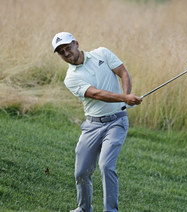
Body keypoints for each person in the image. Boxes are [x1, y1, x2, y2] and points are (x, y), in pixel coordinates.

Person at [51, 32, 142, 212]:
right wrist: (124, 97)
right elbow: (96, 94)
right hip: (92, 126)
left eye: (68, 48)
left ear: (76, 43)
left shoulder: (102, 53)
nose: (66, 53)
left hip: (116, 122)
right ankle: (84, 208)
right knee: (81, 171)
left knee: (106, 165)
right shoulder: (70, 78)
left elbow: (123, 72)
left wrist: (125, 99)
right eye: (61, 52)